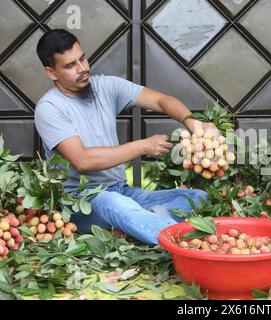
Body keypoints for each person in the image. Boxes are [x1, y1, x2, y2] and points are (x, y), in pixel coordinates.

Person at [34, 29, 212, 245]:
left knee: (196, 198)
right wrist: (143, 147)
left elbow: (161, 100)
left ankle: (137, 225)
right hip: (81, 201)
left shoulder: (105, 86)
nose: (83, 68)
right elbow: (82, 160)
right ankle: (186, 244)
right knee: (117, 205)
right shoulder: (50, 108)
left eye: (82, 58)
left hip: (122, 191)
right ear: (51, 73)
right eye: (70, 65)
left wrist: (193, 123)